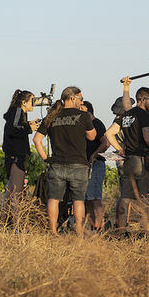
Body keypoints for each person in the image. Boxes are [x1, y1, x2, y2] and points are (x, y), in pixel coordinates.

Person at [104, 82, 149, 232]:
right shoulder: (144, 115)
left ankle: (121, 230)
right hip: (141, 160)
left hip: (128, 160)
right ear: (142, 100)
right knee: (145, 196)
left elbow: (109, 134)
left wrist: (120, 150)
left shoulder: (125, 115)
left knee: (125, 197)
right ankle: (145, 230)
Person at [33, 87, 96, 235]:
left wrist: (46, 159)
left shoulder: (51, 116)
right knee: (78, 200)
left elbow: (37, 140)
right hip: (79, 164)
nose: (82, 101)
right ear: (72, 98)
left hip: (57, 164)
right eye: (80, 98)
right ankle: (79, 232)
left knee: (54, 199)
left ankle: (53, 231)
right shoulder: (83, 116)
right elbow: (92, 136)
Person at [2, 89, 39, 220]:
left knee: (10, 192)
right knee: (17, 193)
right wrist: (29, 128)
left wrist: (28, 124)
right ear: (23, 102)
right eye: (32, 101)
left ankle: (0, 224)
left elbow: (15, 126)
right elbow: (14, 128)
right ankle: (18, 226)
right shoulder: (18, 111)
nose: (34, 104)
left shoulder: (17, 113)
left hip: (13, 155)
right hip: (17, 156)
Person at [82, 101, 109, 232]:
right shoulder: (83, 125)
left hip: (96, 164)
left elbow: (105, 143)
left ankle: (99, 228)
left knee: (95, 198)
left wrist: (94, 154)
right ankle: (92, 227)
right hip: (85, 165)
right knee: (88, 199)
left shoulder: (97, 124)